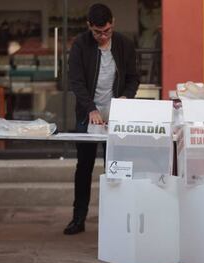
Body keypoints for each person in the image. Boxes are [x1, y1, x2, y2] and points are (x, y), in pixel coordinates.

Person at [65, 3, 139, 235]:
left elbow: (133, 78)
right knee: (84, 167)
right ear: (89, 26)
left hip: (117, 113)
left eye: (107, 30)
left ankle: (115, 219)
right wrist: (91, 109)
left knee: (114, 168)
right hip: (88, 113)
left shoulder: (124, 44)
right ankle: (78, 218)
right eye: (97, 32)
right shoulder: (80, 44)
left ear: (113, 23)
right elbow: (75, 81)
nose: (102, 36)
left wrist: (126, 98)